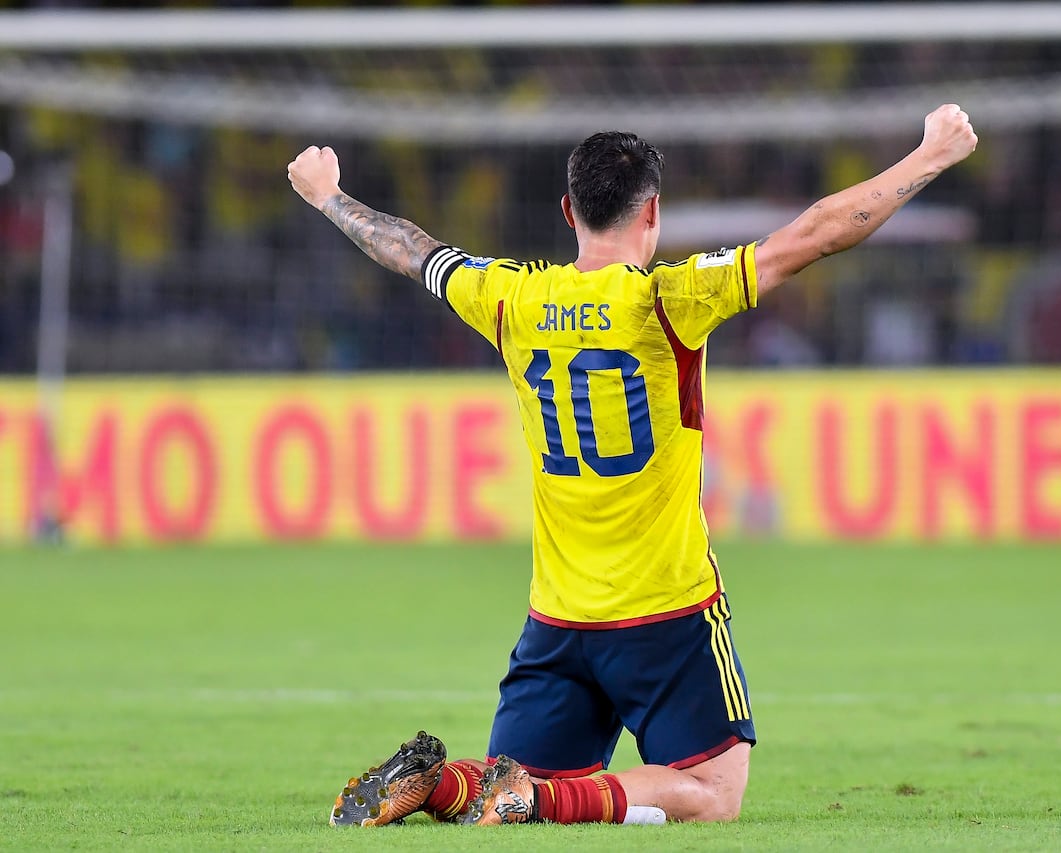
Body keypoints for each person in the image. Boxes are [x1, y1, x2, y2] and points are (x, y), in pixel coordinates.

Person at [287, 104, 977, 828]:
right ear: (653, 211)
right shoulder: (669, 299)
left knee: (505, 778)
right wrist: (929, 156)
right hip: (665, 613)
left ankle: (438, 787)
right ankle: (533, 798)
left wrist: (329, 197)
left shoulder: (513, 296)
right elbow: (814, 234)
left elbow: (412, 249)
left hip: (558, 617)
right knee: (711, 792)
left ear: (567, 210)